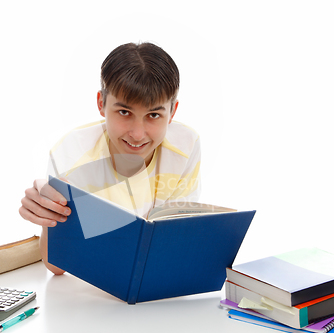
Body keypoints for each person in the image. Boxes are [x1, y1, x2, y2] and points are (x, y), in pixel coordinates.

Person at [19, 42, 201, 274]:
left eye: (153, 115)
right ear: (101, 103)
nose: (137, 134)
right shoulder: (72, 152)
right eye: (124, 112)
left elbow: (177, 242)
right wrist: (49, 217)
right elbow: (56, 266)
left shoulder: (186, 146)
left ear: (172, 112)